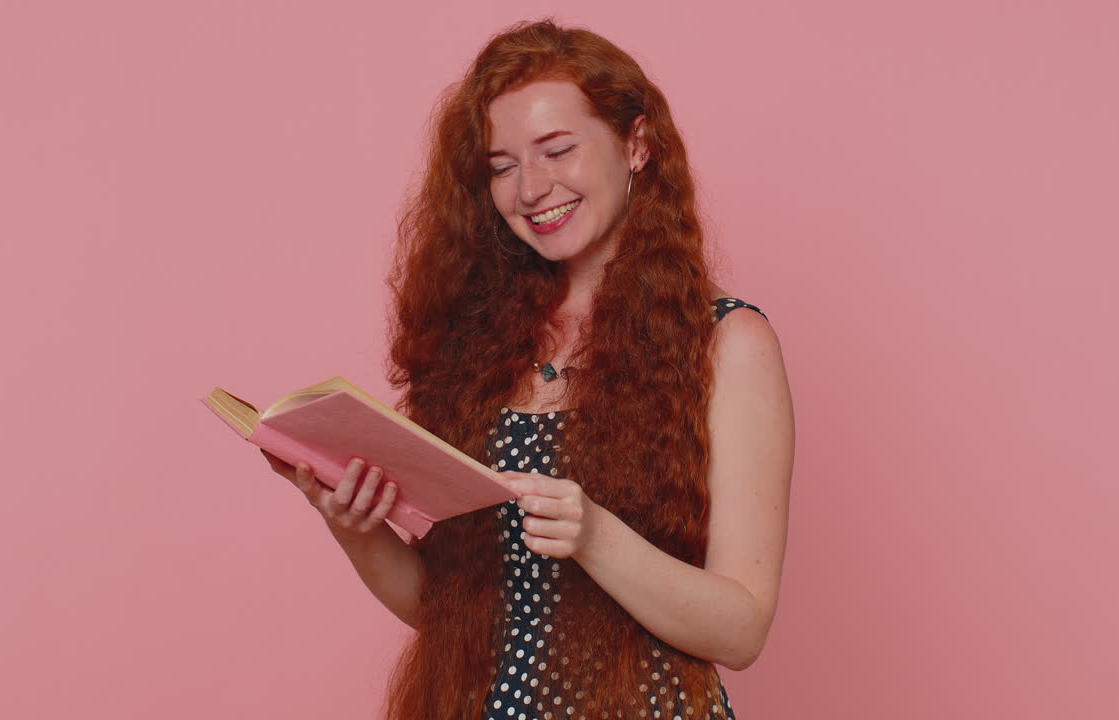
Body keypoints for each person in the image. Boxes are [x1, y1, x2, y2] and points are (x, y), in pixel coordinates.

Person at [262, 18, 793, 720]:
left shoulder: (730, 342)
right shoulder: (478, 346)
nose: (532, 188)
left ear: (637, 145)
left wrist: (595, 536)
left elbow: (741, 627)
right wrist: (352, 522)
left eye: (557, 150)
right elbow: (449, 610)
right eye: (502, 165)